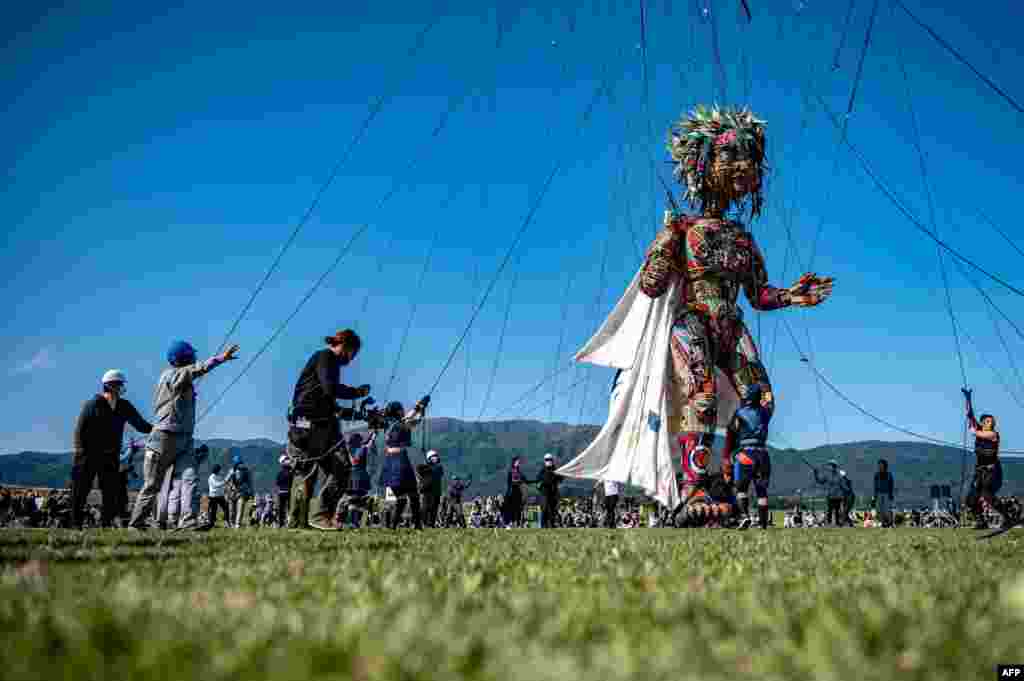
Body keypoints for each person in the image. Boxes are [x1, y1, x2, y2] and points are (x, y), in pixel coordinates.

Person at [555, 106, 833, 512]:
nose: (743, 165)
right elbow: (651, 287)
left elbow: (757, 295)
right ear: (702, 165)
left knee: (763, 401)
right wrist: (662, 252)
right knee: (700, 398)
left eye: (748, 157)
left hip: (731, 324)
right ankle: (692, 486)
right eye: (731, 156)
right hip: (694, 320)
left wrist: (792, 295)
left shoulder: (742, 237)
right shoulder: (683, 229)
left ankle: (728, 475)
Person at [127, 341, 238, 529]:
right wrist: (221, 359)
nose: (194, 359)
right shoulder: (173, 375)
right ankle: (135, 524)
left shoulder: (176, 376)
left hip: (184, 438)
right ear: (185, 358)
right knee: (153, 485)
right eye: (191, 356)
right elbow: (198, 369)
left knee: (190, 478)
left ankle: (188, 522)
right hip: (164, 438)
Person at [286, 330, 370, 530]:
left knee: (338, 468)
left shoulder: (329, 362)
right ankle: (301, 520)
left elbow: (330, 401)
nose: (351, 359)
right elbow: (330, 388)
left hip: (322, 422)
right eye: (353, 354)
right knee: (307, 471)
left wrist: (357, 414)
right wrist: (356, 392)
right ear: (346, 346)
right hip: (308, 424)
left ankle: (317, 516)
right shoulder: (326, 357)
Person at [71, 369, 153, 528]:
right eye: (119, 384)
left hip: (110, 456)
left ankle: (105, 524)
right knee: (80, 490)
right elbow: (79, 430)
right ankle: (76, 525)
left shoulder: (124, 405)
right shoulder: (93, 404)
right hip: (88, 454)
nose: (122, 387)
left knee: (110, 492)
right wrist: (81, 452)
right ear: (110, 386)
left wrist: (157, 428)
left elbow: (140, 424)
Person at [962, 389, 1014, 529]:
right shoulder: (979, 429)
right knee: (971, 499)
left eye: (992, 421)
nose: (991, 422)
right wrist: (968, 399)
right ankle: (981, 521)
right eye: (988, 421)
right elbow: (969, 415)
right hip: (979, 471)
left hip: (993, 471)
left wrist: (973, 430)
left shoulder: (993, 434)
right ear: (982, 422)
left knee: (987, 494)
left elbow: (976, 433)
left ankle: (1007, 517)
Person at [722, 383, 772, 529]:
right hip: (763, 454)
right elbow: (769, 401)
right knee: (762, 492)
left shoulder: (739, 413)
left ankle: (745, 516)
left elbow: (730, 434)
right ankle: (763, 525)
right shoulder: (766, 413)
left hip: (746, 454)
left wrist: (727, 456)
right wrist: (765, 389)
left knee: (741, 489)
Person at [379, 398, 429, 529]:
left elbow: (411, 420)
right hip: (400, 459)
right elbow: (410, 421)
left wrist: (419, 410)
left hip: (389, 460)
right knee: (413, 494)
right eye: (401, 409)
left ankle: (393, 526)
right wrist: (419, 408)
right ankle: (417, 525)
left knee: (400, 498)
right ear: (397, 412)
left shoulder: (388, 424)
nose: (403, 411)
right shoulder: (400, 423)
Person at [166, 443, 209, 530]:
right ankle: (187, 521)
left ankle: (172, 520)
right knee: (188, 495)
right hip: (188, 470)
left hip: (176, 469)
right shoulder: (193, 457)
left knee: (175, 494)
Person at [341, 432, 375, 529]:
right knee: (356, 500)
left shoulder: (348, 449)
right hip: (359, 476)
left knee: (354, 500)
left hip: (352, 476)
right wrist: (373, 435)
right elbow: (368, 444)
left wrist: (372, 435)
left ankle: (352, 522)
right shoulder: (362, 449)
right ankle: (354, 522)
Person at [226, 451, 254, 529]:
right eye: (237, 463)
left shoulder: (246, 471)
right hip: (232, 492)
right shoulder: (231, 471)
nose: (239, 465)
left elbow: (250, 482)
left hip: (241, 492)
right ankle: (232, 523)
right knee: (232, 510)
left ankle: (237, 524)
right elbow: (226, 481)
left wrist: (251, 492)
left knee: (240, 509)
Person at [501, 457, 531, 527]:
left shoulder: (520, 472)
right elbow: (509, 482)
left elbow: (525, 480)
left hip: (518, 491)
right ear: (514, 462)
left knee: (518, 508)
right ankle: (510, 523)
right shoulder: (511, 471)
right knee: (511, 508)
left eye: (519, 462)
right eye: (517, 462)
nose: (519, 463)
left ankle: (517, 523)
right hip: (512, 491)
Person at [536, 453, 564, 528]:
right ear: (545, 461)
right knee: (544, 508)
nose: (549, 461)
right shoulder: (542, 470)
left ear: (552, 460)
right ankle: (543, 525)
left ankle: (552, 525)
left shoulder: (556, 470)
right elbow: (538, 481)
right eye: (547, 460)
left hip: (553, 492)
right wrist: (539, 485)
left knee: (552, 509)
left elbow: (561, 478)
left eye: (550, 459)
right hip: (544, 493)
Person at [814, 460, 845, 526]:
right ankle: (829, 523)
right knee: (829, 510)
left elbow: (843, 485)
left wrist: (843, 494)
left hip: (838, 496)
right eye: (830, 465)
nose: (831, 467)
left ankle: (837, 523)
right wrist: (815, 474)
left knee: (837, 510)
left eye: (832, 466)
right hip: (830, 495)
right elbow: (820, 481)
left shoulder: (839, 475)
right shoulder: (827, 475)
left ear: (835, 467)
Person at [420, 450, 444, 528]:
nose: (436, 458)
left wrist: (427, 465)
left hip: (435, 492)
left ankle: (431, 524)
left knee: (433, 509)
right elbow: (419, 469)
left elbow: (434, 470)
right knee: (425, 508)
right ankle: (425, 524)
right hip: (427, 491)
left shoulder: (439, 467)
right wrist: (426, 464)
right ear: (429, 458)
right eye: (434, 457)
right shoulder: (425, 467)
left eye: (436, 456)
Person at [873, 459, 895, 527]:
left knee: (886, 509)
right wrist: (875, 495)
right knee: (879, 509)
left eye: (881, 465)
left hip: (886, 493)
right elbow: (875, 486)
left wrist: (891, 494)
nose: (880, 466)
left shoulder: (889, 475)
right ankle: (883, 522)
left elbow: (891, 485)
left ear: (885, 466)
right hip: (879, 493)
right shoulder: (877, 475)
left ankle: (889, 522)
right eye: (879, 465)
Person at [206, 464, 229, 528]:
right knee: (213, 510)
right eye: (220, 469)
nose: (221, 471)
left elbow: (223, 484)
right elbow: (216, 485)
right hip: (213, 496)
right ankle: (211, 523)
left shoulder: (220, 476)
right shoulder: (211, 477)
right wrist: (225, 481)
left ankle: (226, 521)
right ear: (217, 470)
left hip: (220, 495)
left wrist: (226, 489)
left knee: (226, 507)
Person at [275, 455, 293, 528]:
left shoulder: (280, 473)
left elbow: (277, 483)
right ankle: (288, 523)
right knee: (288, 508)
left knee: (281, 509)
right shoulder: (291, 472)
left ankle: (280, 523)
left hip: (281, 492)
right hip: (289, 491)